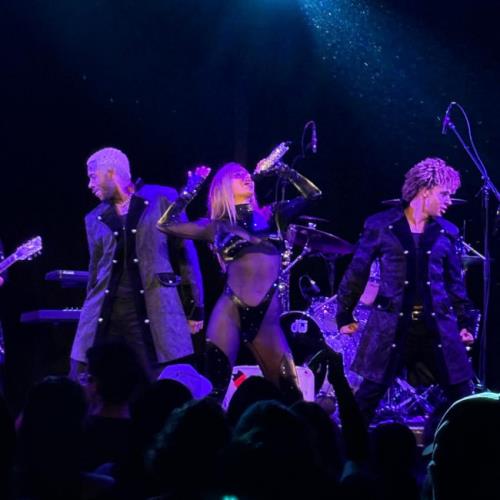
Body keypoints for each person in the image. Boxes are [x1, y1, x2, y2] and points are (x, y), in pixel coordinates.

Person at [157, 160, 321, 400]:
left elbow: (314, 195)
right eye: (237, 175)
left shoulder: (273, 214)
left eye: (247, 174)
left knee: (290, 394)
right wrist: (191, 187)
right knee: (214, 391)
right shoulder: (216, 226)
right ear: (223, 186)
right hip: (230, 311)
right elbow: (165, 225)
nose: (246, 177)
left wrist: (282, 168)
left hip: (267, 318)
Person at [336, 157, 475, 424]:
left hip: (437, 327)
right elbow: (357, 272)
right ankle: (348, 445)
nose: (449, 201)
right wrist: (344, 313)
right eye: (444, 194)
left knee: (462, 397)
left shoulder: (447, 232)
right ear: (425, 191)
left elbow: (455, 285)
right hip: (392, 326)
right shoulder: (381, 226)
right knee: (367, 398)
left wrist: (465, 322)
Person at [70, 147, 204, 379]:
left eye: (93, 176)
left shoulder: (161, 198)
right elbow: (95, 271)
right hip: (106, 312)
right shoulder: (93, 218)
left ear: (111, 172)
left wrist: (194, 306)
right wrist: (87, 314)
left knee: (157, 380)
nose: (89, 185)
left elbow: (185, 253)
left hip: (154, 309)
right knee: (89, 378)